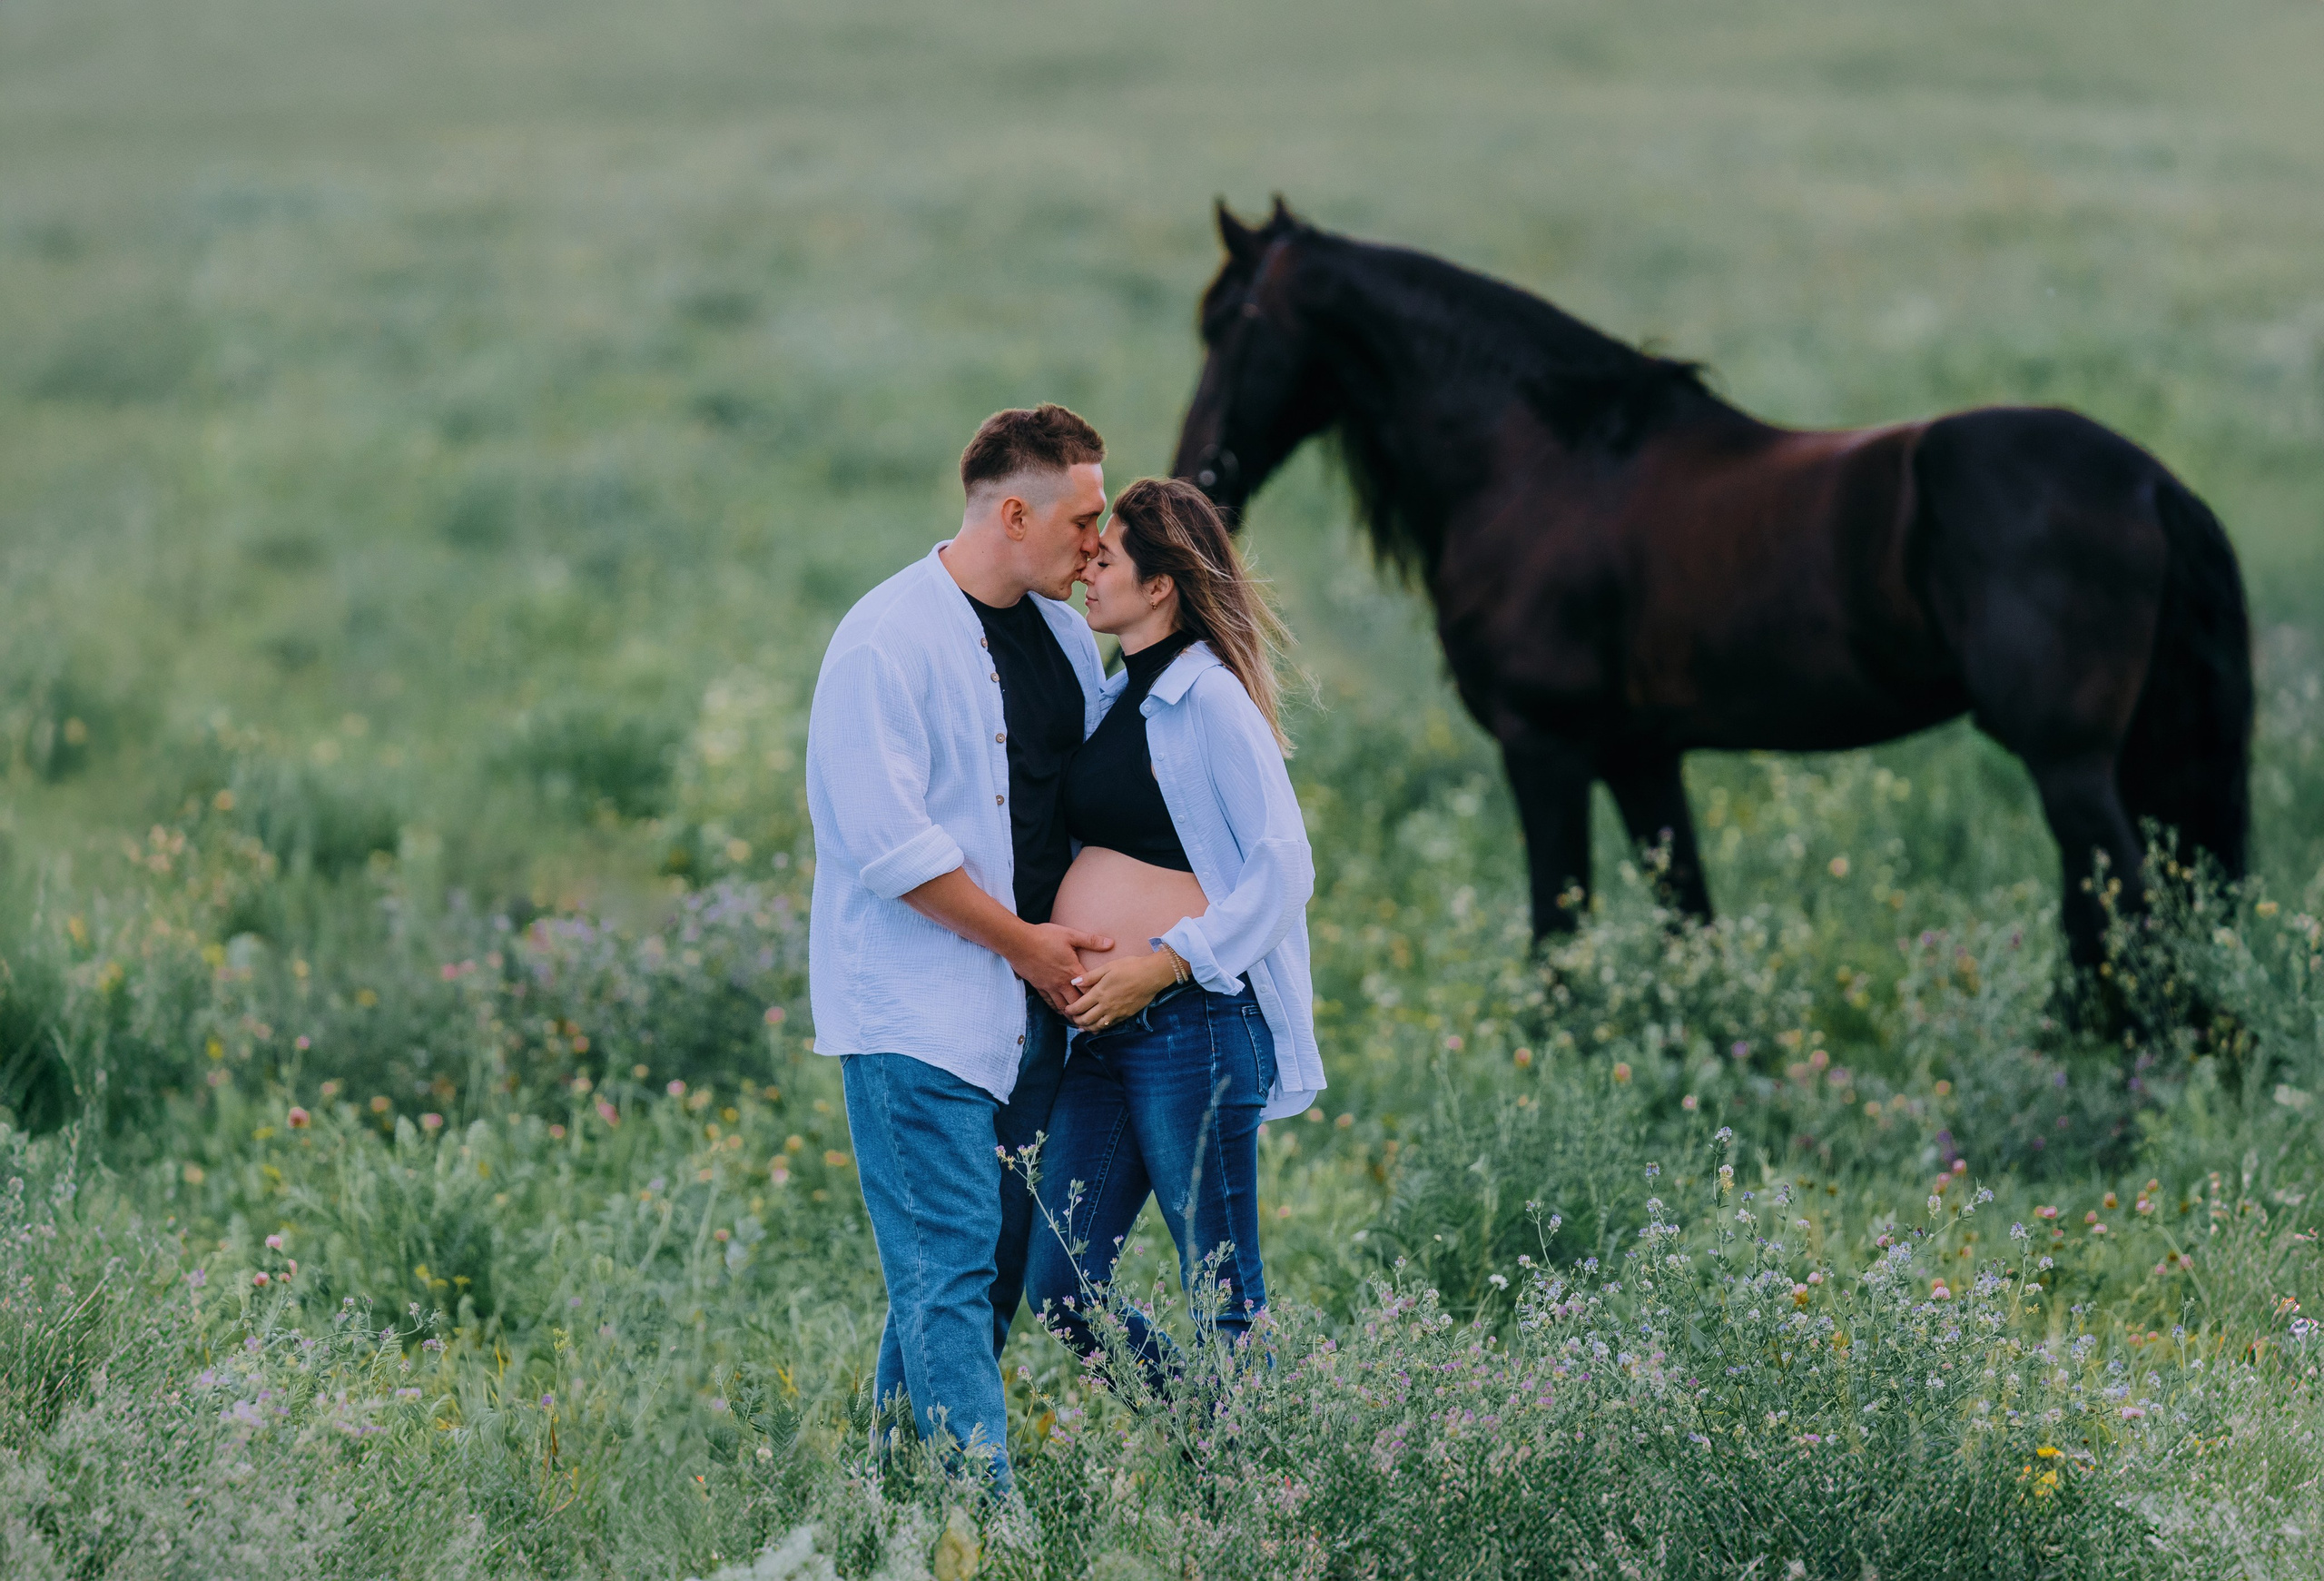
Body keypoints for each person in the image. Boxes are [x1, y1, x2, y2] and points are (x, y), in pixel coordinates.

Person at [804, 404, 1118, 1492]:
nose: (1099, 542)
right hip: (917, 1014)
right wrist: (1029, 945)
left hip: (1035, 1014)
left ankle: (884, 1498)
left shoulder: (1070, 639)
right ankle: (987, 1529)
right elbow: (890, 845)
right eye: (1084, 519)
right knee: (944, 1273)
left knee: (982, 1281)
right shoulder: (885, 638)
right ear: (1015, 510)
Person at [1026, 476, 1325, 1390]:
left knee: (1224, 1292)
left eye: (1106, 558)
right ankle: (1213, 1444)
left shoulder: (1212, 703)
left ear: (1160, 585)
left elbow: (1284, 866)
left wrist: (1159, 966)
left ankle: (1256, 1503)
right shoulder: (1117, 700)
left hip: (1189, 1027)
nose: (1088, 571)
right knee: (1060, 1285)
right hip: (1103, 1037)